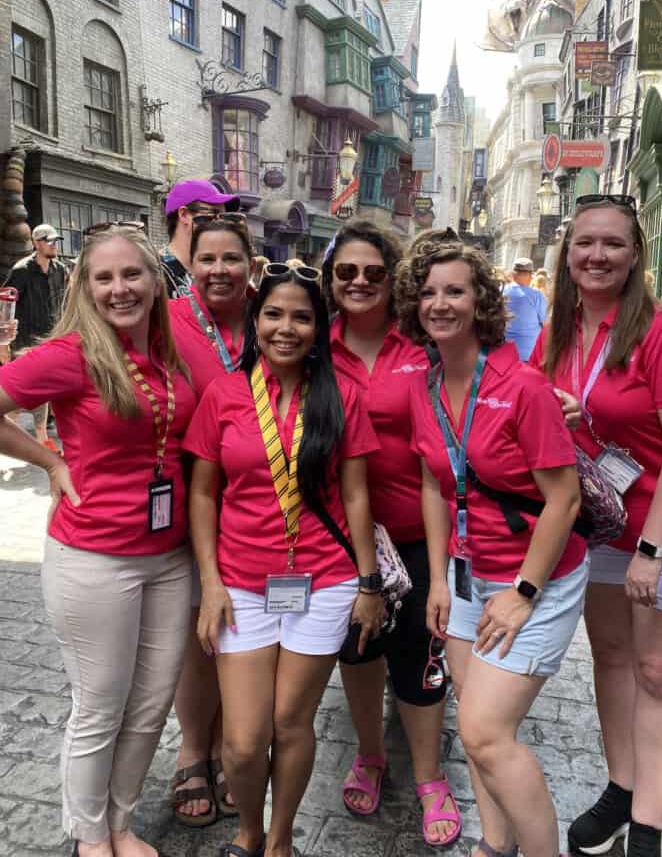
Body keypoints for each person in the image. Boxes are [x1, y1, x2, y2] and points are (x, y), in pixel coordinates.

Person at [530, 194, 662, 857]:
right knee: (615, 658)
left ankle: (647, 824)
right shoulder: (559, 332)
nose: (596, 255)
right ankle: (621, 788)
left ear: (635, 255)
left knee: (660, 672)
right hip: (607, 527)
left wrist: (653, 550)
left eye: (612, 244)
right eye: (584, 243)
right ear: (567, 257)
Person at [0, 223, 196, 857]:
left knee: (151, 703)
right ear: (85, 286)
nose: (120, 288)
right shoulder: (71, 354)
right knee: (100, 706)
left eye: (131, 274)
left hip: (170, 557)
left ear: (154, 281)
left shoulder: (169, 351)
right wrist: (50, 461)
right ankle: (89, 838)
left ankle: (119, 824)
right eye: (103, 277)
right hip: (94, 558)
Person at [183, 262, 386, 857]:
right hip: (242, 583)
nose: (286, 328)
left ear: (319, 326)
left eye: (302, 316)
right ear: (256, 320)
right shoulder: (224, 394)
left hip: (322, 580)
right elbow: (201, 492)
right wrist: (210, 584)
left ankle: (277, 842)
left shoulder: (342, 394)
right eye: (274, 314)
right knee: (245, 741)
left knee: (291, 722)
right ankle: (247, 828)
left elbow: (355, 494)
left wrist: (369, 583)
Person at [395, 239, 586, 857]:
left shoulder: (522, 386)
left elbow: (565, 500)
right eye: (427, 292)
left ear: (481, 300)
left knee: (483, 731)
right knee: (478, 729)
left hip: (537, 579)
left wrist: (525, 593)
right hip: (468, 573)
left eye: (454, 290)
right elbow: (432, 479)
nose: (439, 303)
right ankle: (492, 844)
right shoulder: (424, 387)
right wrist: (441, 582)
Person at [322, 221, 461, 846]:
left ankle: (430, 777)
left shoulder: (420, 348)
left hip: (412, 529)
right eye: (346, 272)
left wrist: (438, 567)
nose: (358, 282)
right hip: (340, 539)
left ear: (392, 278)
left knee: (417, 655)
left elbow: (440, 461)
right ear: (330, 280)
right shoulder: (312, 345)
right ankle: (371, 754)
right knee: (358, 649)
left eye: (373, 272)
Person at [167, 212, 256, 826]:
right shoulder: (165, 320)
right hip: (184, 496)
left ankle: (231, 743)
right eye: (208, 260)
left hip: (259, 501)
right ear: (190, 263)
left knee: (238, 631)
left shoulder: (274, 313)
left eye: (232, 259)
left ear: (251, 265)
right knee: (194, 633)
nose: (219, 270)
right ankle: (193, 747)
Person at [4, 223, 69, 449]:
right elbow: (6, 302)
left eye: (55, 241)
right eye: (48, 240)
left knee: (47, 389)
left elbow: (66, 302)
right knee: (20, 394)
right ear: (35, 243)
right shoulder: (22, 270)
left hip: (53, 339)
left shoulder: (60, 270)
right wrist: (4, 338)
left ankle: (42, 439)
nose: (54, 245)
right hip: (26, 343)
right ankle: (10, 436)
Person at [160, 179, 239, 300]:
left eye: (224, 218)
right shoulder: (156, 273)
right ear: (184, 215)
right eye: (214, 215)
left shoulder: (214, 274)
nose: (221, 224)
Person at [502, 257, 548, 362]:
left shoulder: (501, 291)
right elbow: (545, 324)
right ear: (529, 275)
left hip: (502, 351)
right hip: (527, 353)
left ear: (513, 274)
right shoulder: (537, 296)